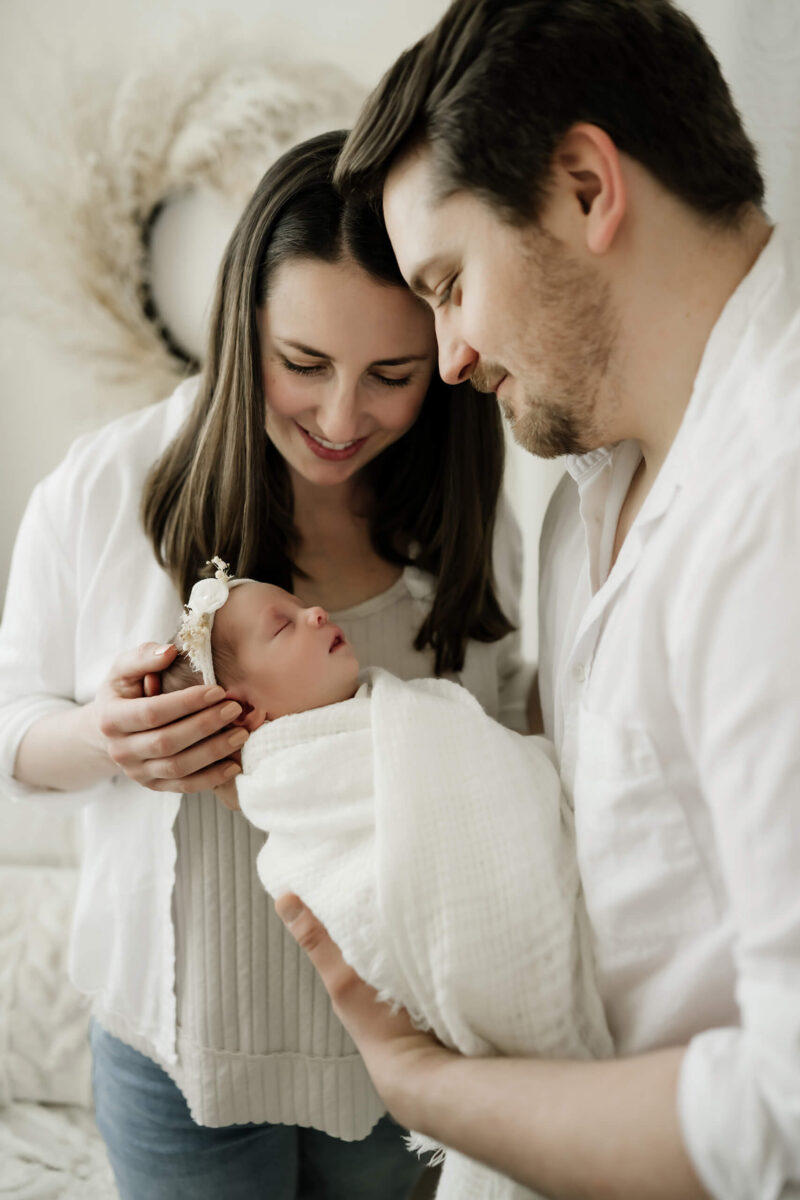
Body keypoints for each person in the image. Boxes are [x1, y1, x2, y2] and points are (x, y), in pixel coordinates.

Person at [273, 4, 800, 1200]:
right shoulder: (580, 498)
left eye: (449, 283)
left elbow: (783, 1115)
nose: (448, 356)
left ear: (580, 186)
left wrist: (418, 1085)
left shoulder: (775, 510)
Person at [0, 130, 533, 1200]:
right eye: (302, 365)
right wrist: (101, 740)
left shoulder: (475, 529)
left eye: (392, 374)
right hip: (172, 1056)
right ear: (240, 328)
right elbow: (13, 735)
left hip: (405, 1061)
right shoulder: (106, 488)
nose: (342, 420)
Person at [166, 558, 612, 1200]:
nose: (315, 612)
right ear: (247, 712)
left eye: (301, 604)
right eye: (283, 626)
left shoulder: (399, 708)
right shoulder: (298, 789)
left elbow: (489, 764)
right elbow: (352, 876)